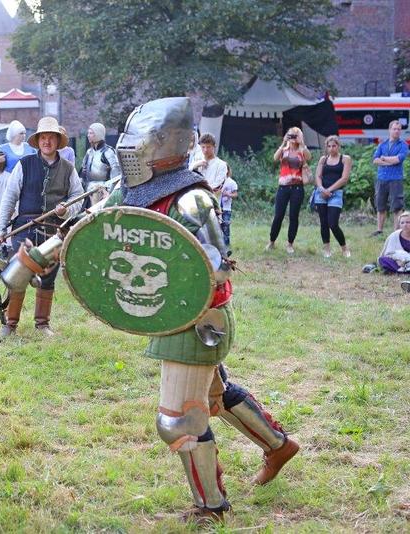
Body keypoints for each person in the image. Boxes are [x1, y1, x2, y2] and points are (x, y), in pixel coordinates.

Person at [104, 98, 298, 523]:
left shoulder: (192, 199)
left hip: (198, 318)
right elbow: (94, 230)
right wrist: (37, 257)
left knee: (177, 421)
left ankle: (211, 508)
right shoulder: (132, 191)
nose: (129, 149)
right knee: (214, 396)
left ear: (165, 144)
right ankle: (278, 446)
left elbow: (215, 266)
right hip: (171, 313)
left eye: (139, 141)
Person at [0, 116, 84, 337]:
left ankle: (42, 324)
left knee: (48, 277)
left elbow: (78, 197)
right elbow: (9, 198)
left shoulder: (69, 169)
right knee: (18, 275)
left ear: (57, 141)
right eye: (43, 138)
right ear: (38, 141)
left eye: (51, 138)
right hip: (25, 227)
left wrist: (66, 210)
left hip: (54, 230)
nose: (47, 142)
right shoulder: (24, 165)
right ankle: (10, 324)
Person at [0, 120, 35, 249]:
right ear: (14, 134)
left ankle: (20, 238)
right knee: (6, 208)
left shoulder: (29, 147)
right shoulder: (3, 148)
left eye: (24, 133)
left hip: (25, 181)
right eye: (20, 133)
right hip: (6, 181)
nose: (23, 135)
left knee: (21, 209)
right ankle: (4, 241)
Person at [266, 126, 312, 254]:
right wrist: (283, 143)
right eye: (290, 135)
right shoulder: (284, 150)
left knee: (293, 216)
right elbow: (275, 158)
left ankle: (290, 243)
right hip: (283, 187)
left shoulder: (302, 151)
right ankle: (272, 241)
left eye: (295, 135)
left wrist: (302, 143)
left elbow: (309, 157)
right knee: (278, 215)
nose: (292, 138)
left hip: (297, 187)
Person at [312, 136, 351, 258]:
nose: (331, 148)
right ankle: (327, 249)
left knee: (333, 223)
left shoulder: (345, 159)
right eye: (329, 146)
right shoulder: (323, 159)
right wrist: (322, 189)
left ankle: (344, 248)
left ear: (338, 146)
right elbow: (318, 176)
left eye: (334, 146)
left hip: (336, 193)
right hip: (321, 193)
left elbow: (344, 179)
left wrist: (329, 190)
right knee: (324, 223)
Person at [372, 120, 408, 236]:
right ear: (389, 130)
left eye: (399, 129)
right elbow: (375, 160)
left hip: (395, 179)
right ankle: (379, 231)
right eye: (394, 129)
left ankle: (396, 233)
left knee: (397, 207)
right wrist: (389, 161)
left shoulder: (403, 145)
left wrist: (383, 158)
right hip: (381, 178)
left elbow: (398, 159)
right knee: (380, 206)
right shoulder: (382, 144)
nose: (397, 131)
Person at [80, 122, 121, 206]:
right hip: (88, 191)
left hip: (103, 191)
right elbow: (83, 171)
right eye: (88, 133)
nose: (88, 135)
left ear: (98, 134)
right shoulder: (89, 152)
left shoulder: (108, 152)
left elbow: (116, 173)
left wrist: (109, 192)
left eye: (91, 133)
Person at [220, 172, 238, 250]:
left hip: (226, 208)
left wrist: (228, 194)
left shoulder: (231, 182)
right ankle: (219, 244)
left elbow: (235, 194)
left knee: (226, 226)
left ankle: (226, 244)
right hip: (216, 207)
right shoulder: (216, 180)